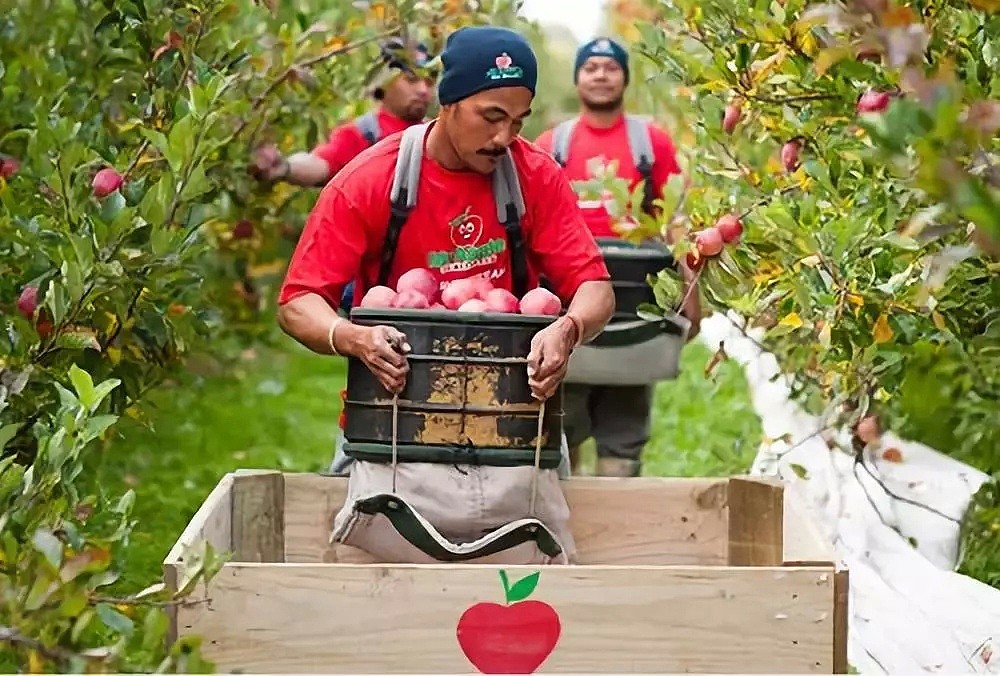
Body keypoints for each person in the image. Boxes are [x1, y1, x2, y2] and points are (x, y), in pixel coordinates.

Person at [276, 26, 615, 567]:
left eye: (518, 120)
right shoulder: (370, 180)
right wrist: (352, 336)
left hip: (511, 424)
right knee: (373, 593)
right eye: (491, 116)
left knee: (527, 593)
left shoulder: (535, 177)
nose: (505, 137)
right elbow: (299, 301)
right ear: (448, 102)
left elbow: (594, 287)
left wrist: (568, 328)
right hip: (393, 425)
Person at [535, 36, 702, 478]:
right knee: (558, 425)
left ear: (624, 77)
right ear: (578, 77)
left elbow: (676, 221)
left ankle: (617, 510)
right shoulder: (555, 144)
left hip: (635, 307)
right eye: (591, 67)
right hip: (569, 300)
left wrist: (691, 293)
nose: (601, 74)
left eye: (611, 67)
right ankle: (563, 523)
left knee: (624, 425)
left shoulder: (651, 144)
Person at [249, 37, 437, 188]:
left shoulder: (436, 133)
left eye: (429, 82)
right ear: (384, 82)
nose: (423, 90)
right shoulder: (363, 134)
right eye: (411, 80)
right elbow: (321, 164)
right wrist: (285, 167)